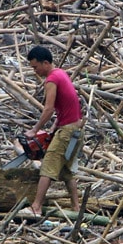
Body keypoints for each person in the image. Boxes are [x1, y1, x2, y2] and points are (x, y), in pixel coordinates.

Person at [20, 45, 83, 215]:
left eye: (36, 67)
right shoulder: (61, 73)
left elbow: (48, 109)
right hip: (75, 128)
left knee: (47, 167)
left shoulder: (51, 80)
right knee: (66, 171)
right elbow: (67, 106)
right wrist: (55, 126)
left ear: (45, 63)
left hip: (68, 131)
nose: (35, 71)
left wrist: (35, 130)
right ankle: (76, 208)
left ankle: (36, 207)